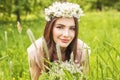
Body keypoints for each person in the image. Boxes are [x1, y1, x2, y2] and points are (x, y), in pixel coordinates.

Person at [27, 2, 91, 80]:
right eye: (60, 27)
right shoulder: (35, 51)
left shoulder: (83, 50)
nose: (66, 34)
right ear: (50, 28)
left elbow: (84, 78)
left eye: (72, 28)